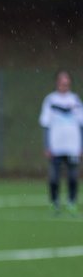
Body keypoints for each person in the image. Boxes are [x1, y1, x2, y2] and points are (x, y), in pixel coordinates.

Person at [39, 69, 83, 214]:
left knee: (73, 176)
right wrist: (47, 146)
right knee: (54, 177)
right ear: (57, 83)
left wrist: (80, 145)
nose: (64, 84)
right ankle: (55, 202)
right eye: (62, 82)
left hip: (72, 146)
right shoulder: (50, 100)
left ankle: (71, 202)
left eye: (67, 82)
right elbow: (45, 124)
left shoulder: (75, 100)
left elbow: (81, 124)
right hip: (56, 146)